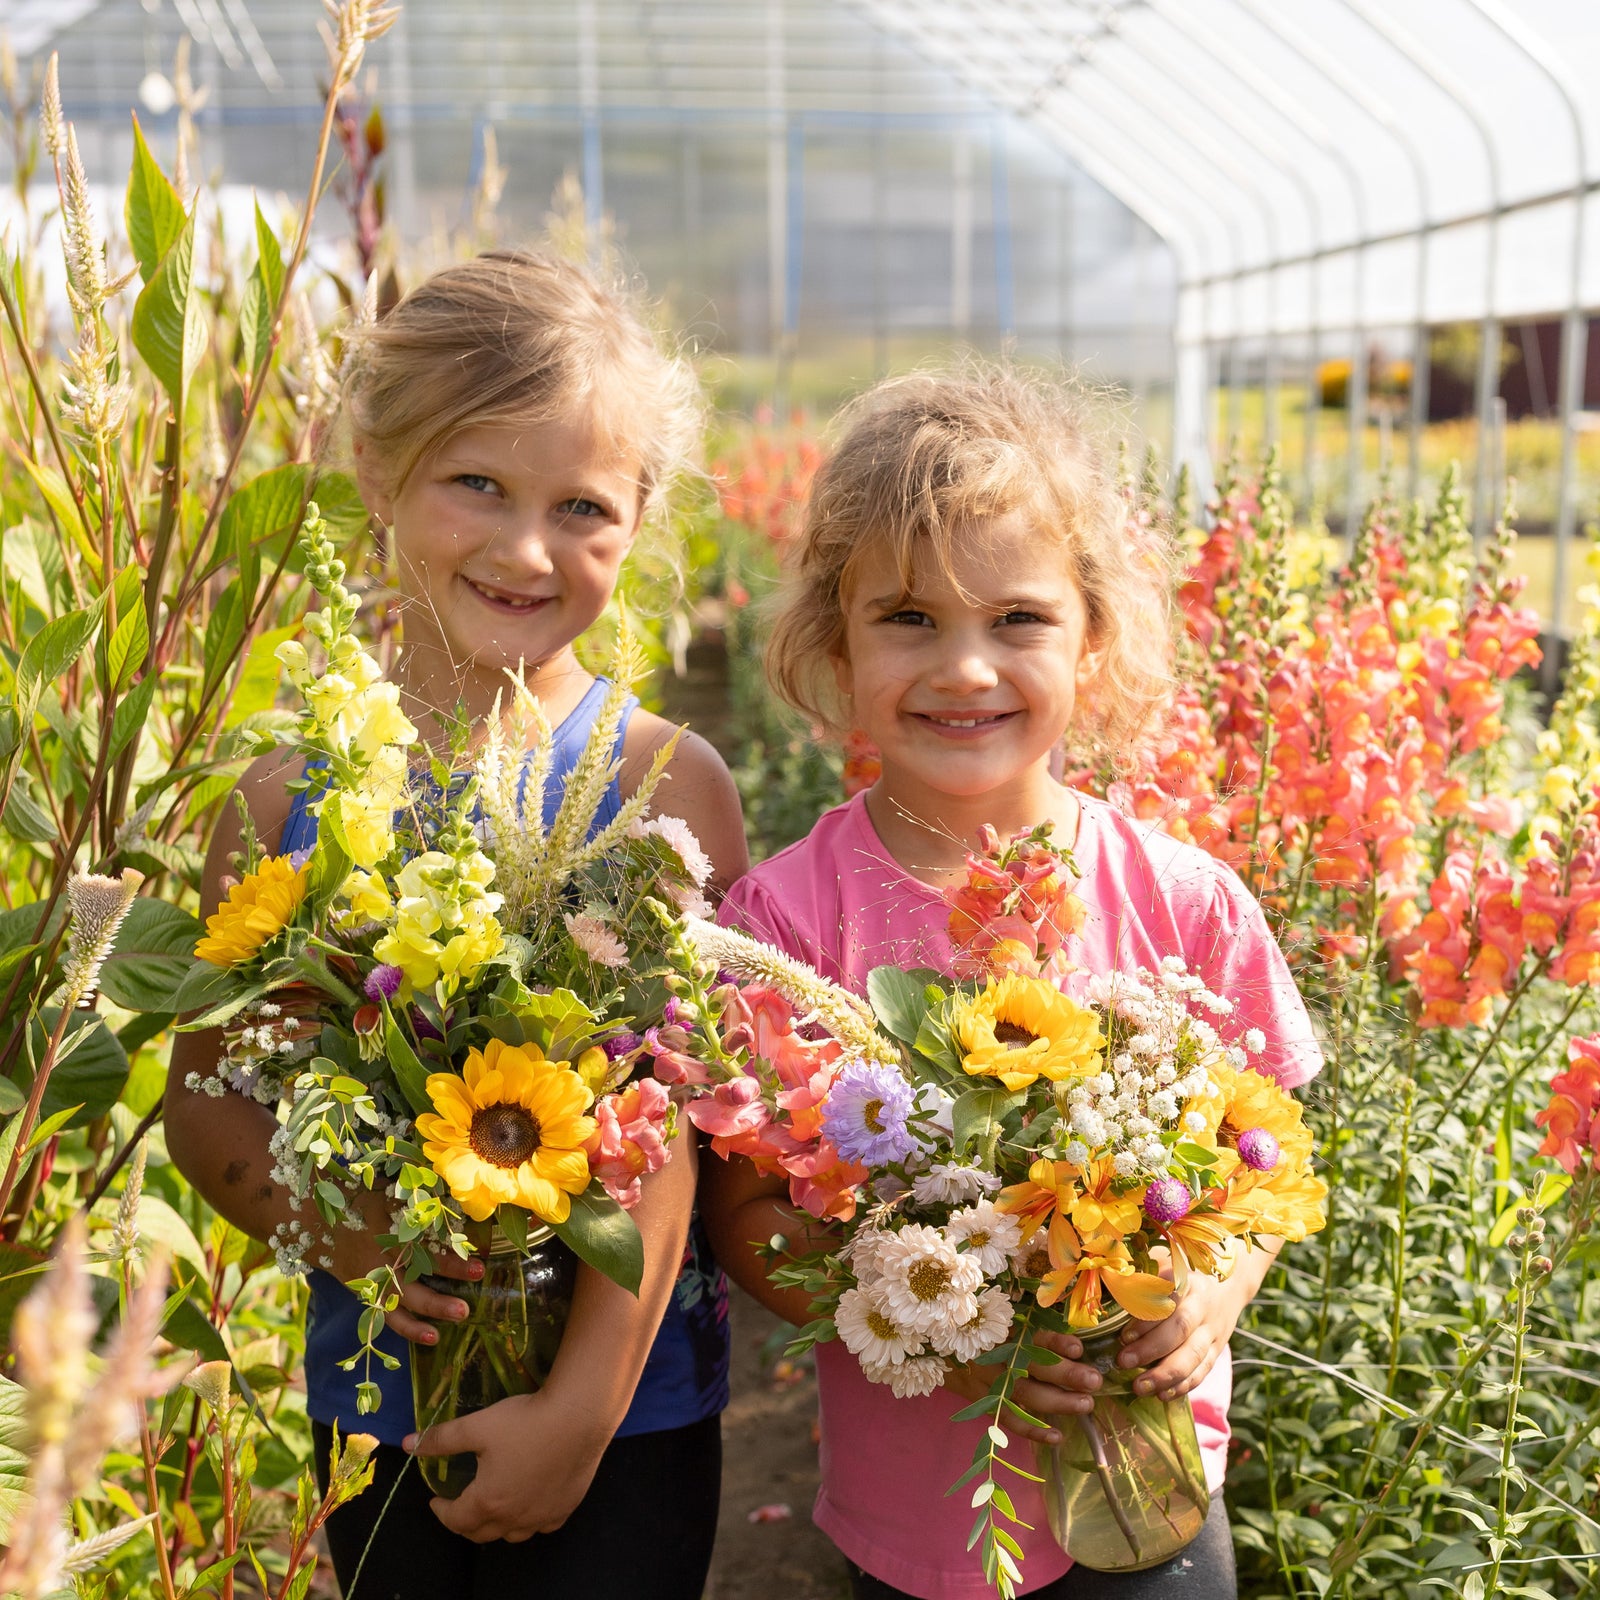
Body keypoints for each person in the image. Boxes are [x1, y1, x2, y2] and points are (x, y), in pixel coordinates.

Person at [166, 250, 746, 1600]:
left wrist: (579, 1412)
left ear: (641, 516)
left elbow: (673, 1134)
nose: (525, 547)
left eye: (583, 507)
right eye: (475, 482)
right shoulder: (283, 801)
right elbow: (210, 1108)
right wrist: (370, 1246)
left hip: (634, 1418)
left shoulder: (662, 788)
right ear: (377, 469)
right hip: (384, 1400)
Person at [700, 368, 1322, 1600]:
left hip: (1151, 1496)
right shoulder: (784, 921)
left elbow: (1274, 1165)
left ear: (1094, 637)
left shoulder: (1183, 900)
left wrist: (1209, 1292)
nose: (966, 669)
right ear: (836, 638)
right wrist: (940, 1315)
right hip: (919, 1522)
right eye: (909, 619)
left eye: (1019, 620)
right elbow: (745, 1214)